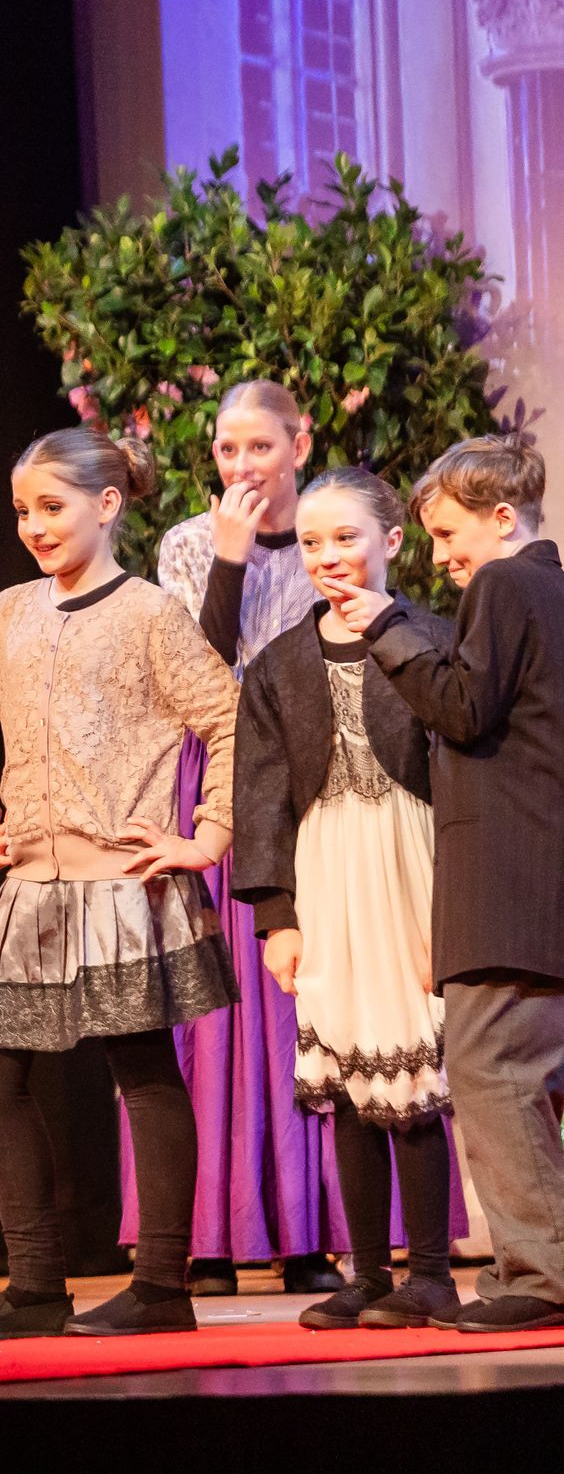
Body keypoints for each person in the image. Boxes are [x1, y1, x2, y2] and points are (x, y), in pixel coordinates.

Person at [0, 427, 239, 1340]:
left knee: (141, 1068)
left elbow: (228, 718)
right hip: (32, 884)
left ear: (107, 506)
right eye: (22, 510)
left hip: (121, 883)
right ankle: (35, 1284)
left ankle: (162, 1284)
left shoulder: (149, 614)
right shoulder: (5, 614)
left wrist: (206, 836)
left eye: (51, 506)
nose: (33, 525)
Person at [334, 434, 564, 1332]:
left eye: (447, 533)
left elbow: (464, 709)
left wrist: (386, 626)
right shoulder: (553, 589)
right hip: (537, 881)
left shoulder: (506, 584)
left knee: (492, 1071)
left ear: (503, 518)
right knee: (528, 1079)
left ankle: (540, 1277)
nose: (439, 558)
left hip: (509, 882)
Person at [231, 467, 458, 1330]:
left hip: (412, 861)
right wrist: (276, 917)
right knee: (350, 1071)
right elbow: (261, 794)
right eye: (313, 541)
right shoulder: (281, 662)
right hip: (327, 867)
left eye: (347, 538)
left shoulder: (434, 639)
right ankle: (367, 1273)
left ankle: (430, 1273)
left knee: (413, 1063)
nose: (327, 555)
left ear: (392, 542)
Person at [151, 380, 344, 1295]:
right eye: (227, 450)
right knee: (220, 1018)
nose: (241, 466)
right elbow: (198, 669)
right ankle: (212, 1240)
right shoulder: (190, 543)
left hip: (312, 774)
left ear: (298, 445)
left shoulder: (328, 536)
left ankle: (309, 1235)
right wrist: (229, 558)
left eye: (259, 447)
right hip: (218, 776)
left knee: (302, 1002)